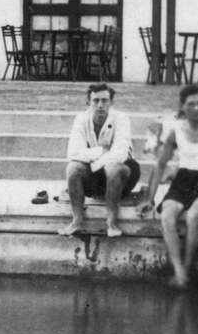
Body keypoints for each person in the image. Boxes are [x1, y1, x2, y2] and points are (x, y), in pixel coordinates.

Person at [137, 84, 198, 288]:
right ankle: (179, 271)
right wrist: (149, 198)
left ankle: (186, 271)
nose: (197, 108)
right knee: (167, 215)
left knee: (193, 216)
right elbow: (161, 164)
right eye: (191, 104)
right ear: (183, 107)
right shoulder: (176, 131)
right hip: (184, 179)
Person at [60, 83, 140, 238]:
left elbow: (120, 155)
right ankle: (77, 221)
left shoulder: (121, 118)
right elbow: (73, 153)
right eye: (96, 101)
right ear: (88, 102)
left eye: (105, 101)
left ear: (112, 103)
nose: (100, 105)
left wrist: (93, 160)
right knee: (72, 168)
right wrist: (102, 150)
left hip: (124, 173)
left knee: (112, 167)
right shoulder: (81, 119)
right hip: (97, 176)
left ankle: (111, 222)